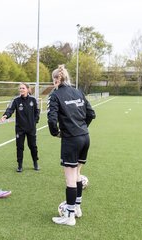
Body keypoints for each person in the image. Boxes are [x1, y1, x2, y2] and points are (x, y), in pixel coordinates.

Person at [47, 65, 96, 226]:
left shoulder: (55, 95)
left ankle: (69, 217)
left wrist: (56, 133)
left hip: (71, 139)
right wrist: (82, 128)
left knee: (70, 178)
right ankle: (77, 208)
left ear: (56, 79)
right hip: (85, 137)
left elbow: (51, 119)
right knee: (77, 176)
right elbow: (91, 114)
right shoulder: (78, 91)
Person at [1, 83, 40, 172]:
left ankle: (35, 163)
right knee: (19, 147)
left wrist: (35, 122)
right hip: (20, 128)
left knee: (33, 146)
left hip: (31, 128)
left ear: (27, 89)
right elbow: (10, 109)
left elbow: (37, 111)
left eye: (23, 88)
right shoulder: (16, 100)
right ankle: (20, 165)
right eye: (20, 88)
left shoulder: (33, 99)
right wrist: (5, 115)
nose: (21, 90)